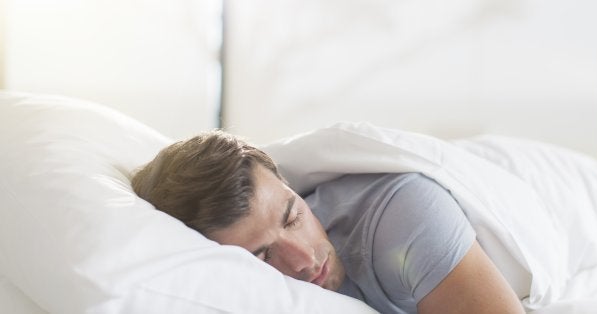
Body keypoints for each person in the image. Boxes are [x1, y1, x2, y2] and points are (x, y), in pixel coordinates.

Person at [131, 130, 525, 314]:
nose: (303, 260)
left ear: (289, 185)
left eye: (293, 217)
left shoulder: (401, 217)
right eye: (263, 255)